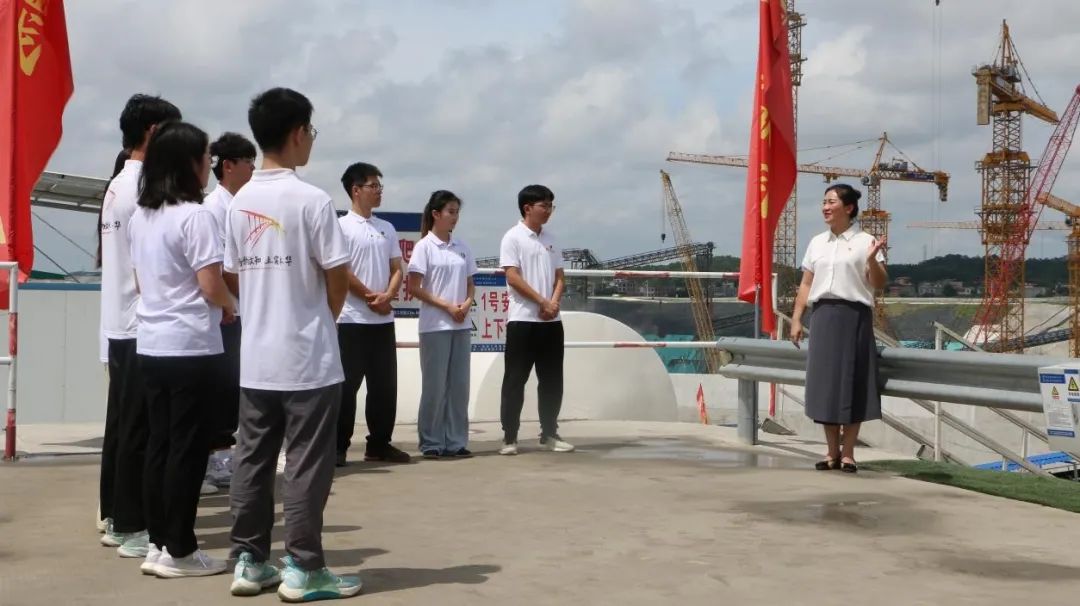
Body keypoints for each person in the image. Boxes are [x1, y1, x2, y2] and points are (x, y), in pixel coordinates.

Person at [225, 87, 361, 601]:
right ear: (298, 133)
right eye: (312, 131)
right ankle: (303, 568)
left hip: (256, 358)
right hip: (308, 360)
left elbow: (233, 275)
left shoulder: (239, 202)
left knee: (252, 459)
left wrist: (265, 306)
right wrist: (321, 317)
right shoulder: (312, 200)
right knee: (306, 463)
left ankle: (249, 560)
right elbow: (337, 276)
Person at [129, 121, 234, 577]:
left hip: (151, 343)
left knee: (160, 444)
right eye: (206, 156)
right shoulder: (196, 215)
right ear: (188, 163)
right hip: (191, 345)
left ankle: (158, 544)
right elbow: (211, 284)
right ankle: (181, 550)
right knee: (188, 450)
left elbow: (140, 282)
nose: (210, 164)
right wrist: (230, 306)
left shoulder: (142, 216)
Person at [98, 94, 181, 555]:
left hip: (120, 322)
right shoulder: (144, 188)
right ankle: (131, 525)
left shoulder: (118, 184)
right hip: (139, 323)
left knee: (123, 427)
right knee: (140, 431)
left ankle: (116, 515)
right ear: (153, 132)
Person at [789, 183, 887, 474]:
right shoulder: (817, 242)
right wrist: (797, 318)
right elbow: (806, 284)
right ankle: (831, 451)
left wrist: (872, 259)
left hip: (854, 316)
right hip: (822, 317)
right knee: (826, 385)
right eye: (824, 202)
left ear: (849, 208)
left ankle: (848, 453)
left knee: (853, 383)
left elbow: (879, 283)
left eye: (831, 202)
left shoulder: (866, 241)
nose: (825, 207)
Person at [335, 162, 409, 466]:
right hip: (351, 319)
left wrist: (388, 296)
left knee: (384, 386)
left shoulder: (386, 228)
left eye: (380, 186)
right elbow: (341, 271)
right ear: (356, 190)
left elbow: (397, 268)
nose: (379, 191)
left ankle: (379, 444)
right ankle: (337, 446)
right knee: (346, 387)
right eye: (373, 186)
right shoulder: (341, 227)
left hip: (382, 319)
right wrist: (370, 297)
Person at [497, 184, 573, 455]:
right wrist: (542, 302)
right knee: (515, 380)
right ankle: (509, 437)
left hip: (551, 322)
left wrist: (553, 303)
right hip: (523, 320)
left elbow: (560, 276)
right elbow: (512, 276)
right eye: (544, 205)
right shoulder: (513, 237)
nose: (549, 210)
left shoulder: (552, 238)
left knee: (552, 380)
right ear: (527, 208)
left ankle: (549, 433)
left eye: (551, 205)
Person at [202, 132, 257, 489]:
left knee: (233, 387)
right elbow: (222, 267)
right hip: (226, 312)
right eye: (249, 162)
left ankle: (223, 456)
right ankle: (213, 460)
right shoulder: (214, 207)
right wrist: (247, 300)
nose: (253, 169)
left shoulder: (240, 204)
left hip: (239, 311)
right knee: (220, 387)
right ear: (228, 166)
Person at [407, 191, 476, 459]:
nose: (455, 217)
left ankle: (456, 441)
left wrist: (466, 304)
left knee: (459, 386)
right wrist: (447, 306)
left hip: (460, 325)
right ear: (436, 214)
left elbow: (470, 283)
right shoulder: (424, 247)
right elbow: (415, 287)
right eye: (450, 212)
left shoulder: (462, 247)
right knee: (435, 386)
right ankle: (431, 442)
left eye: (457, 212)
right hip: (435, 325)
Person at [96, 148, 131, 534]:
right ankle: (120, 517)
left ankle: (111, 511)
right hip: (130, 331)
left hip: (116, 330)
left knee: (120, 427)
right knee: (130, 430)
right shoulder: (133, 192)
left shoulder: (112, 195)